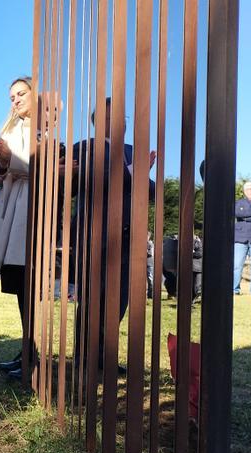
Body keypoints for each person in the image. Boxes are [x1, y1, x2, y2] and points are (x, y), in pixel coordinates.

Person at [71, 97, 156, 373]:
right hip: (95, 235)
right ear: (98, 121)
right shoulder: (84, 148)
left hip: (128, 236)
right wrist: (132, 173)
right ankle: (86, 357)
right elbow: (90, 179)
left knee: (119, 300)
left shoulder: (133, 151)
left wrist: (143, 175)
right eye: (109, 116)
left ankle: (106, 357)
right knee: (93, 297)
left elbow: (151, 190)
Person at [0, 77, 34, 376]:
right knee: (18, 283)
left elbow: (44, 165)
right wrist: (2, 162)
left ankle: (32, 351)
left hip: (31, 207)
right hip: (10, 206)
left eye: (21, 94)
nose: (15, 100)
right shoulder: (11, 129)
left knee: (30, 281)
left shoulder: (46, 127)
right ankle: (27, 348)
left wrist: (10, 158)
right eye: (11, 96)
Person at [234, 181, 251, 295]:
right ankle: (235, 290)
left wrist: (245, 217)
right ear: (244, 191)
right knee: (237, 266)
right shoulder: (238, 203)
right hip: (240, 239)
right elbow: (236, 213)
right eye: (248, 189)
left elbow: (242, 216)